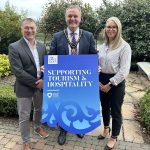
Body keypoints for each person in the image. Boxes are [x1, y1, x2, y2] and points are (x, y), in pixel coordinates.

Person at [49, 5, 98, 145]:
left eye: (75, 16)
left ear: (80, 19)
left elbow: (93, 56)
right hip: (64, 80)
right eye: (70, 16)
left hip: (81, 79)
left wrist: (96, 66)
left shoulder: (88, 36)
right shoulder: (57, 36)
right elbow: (52, 56)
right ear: (66, 19)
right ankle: (63, 129)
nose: (73, 19)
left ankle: (79, 127)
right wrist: (48, 66)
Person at [8, 18, 49, 150]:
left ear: (36, 29)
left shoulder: (42, 46)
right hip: (24, 86)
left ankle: (37, 127)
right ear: (22, 29)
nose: (29, 30)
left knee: (39, 109)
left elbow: (46, 65)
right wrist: (37, 83)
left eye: (32, 28)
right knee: (24, 116)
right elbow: (18, 71)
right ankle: (26, 141)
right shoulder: (14, 47)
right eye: (27, 28)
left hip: (40, 85)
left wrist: (44, 79)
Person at [98, 17, 131, 150]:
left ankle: (114, 137)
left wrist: (110, 84)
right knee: (104, 107)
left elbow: (124, 70)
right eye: (108, 27)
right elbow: (97, 64)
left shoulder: (124, 46)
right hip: (102, 80)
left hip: (116, 82)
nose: (110, 29)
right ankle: (106, 128)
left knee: (116, 111)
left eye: (114, 27)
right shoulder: (102, 46)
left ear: (118, 29)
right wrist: (98, 81)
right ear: (105, 29)